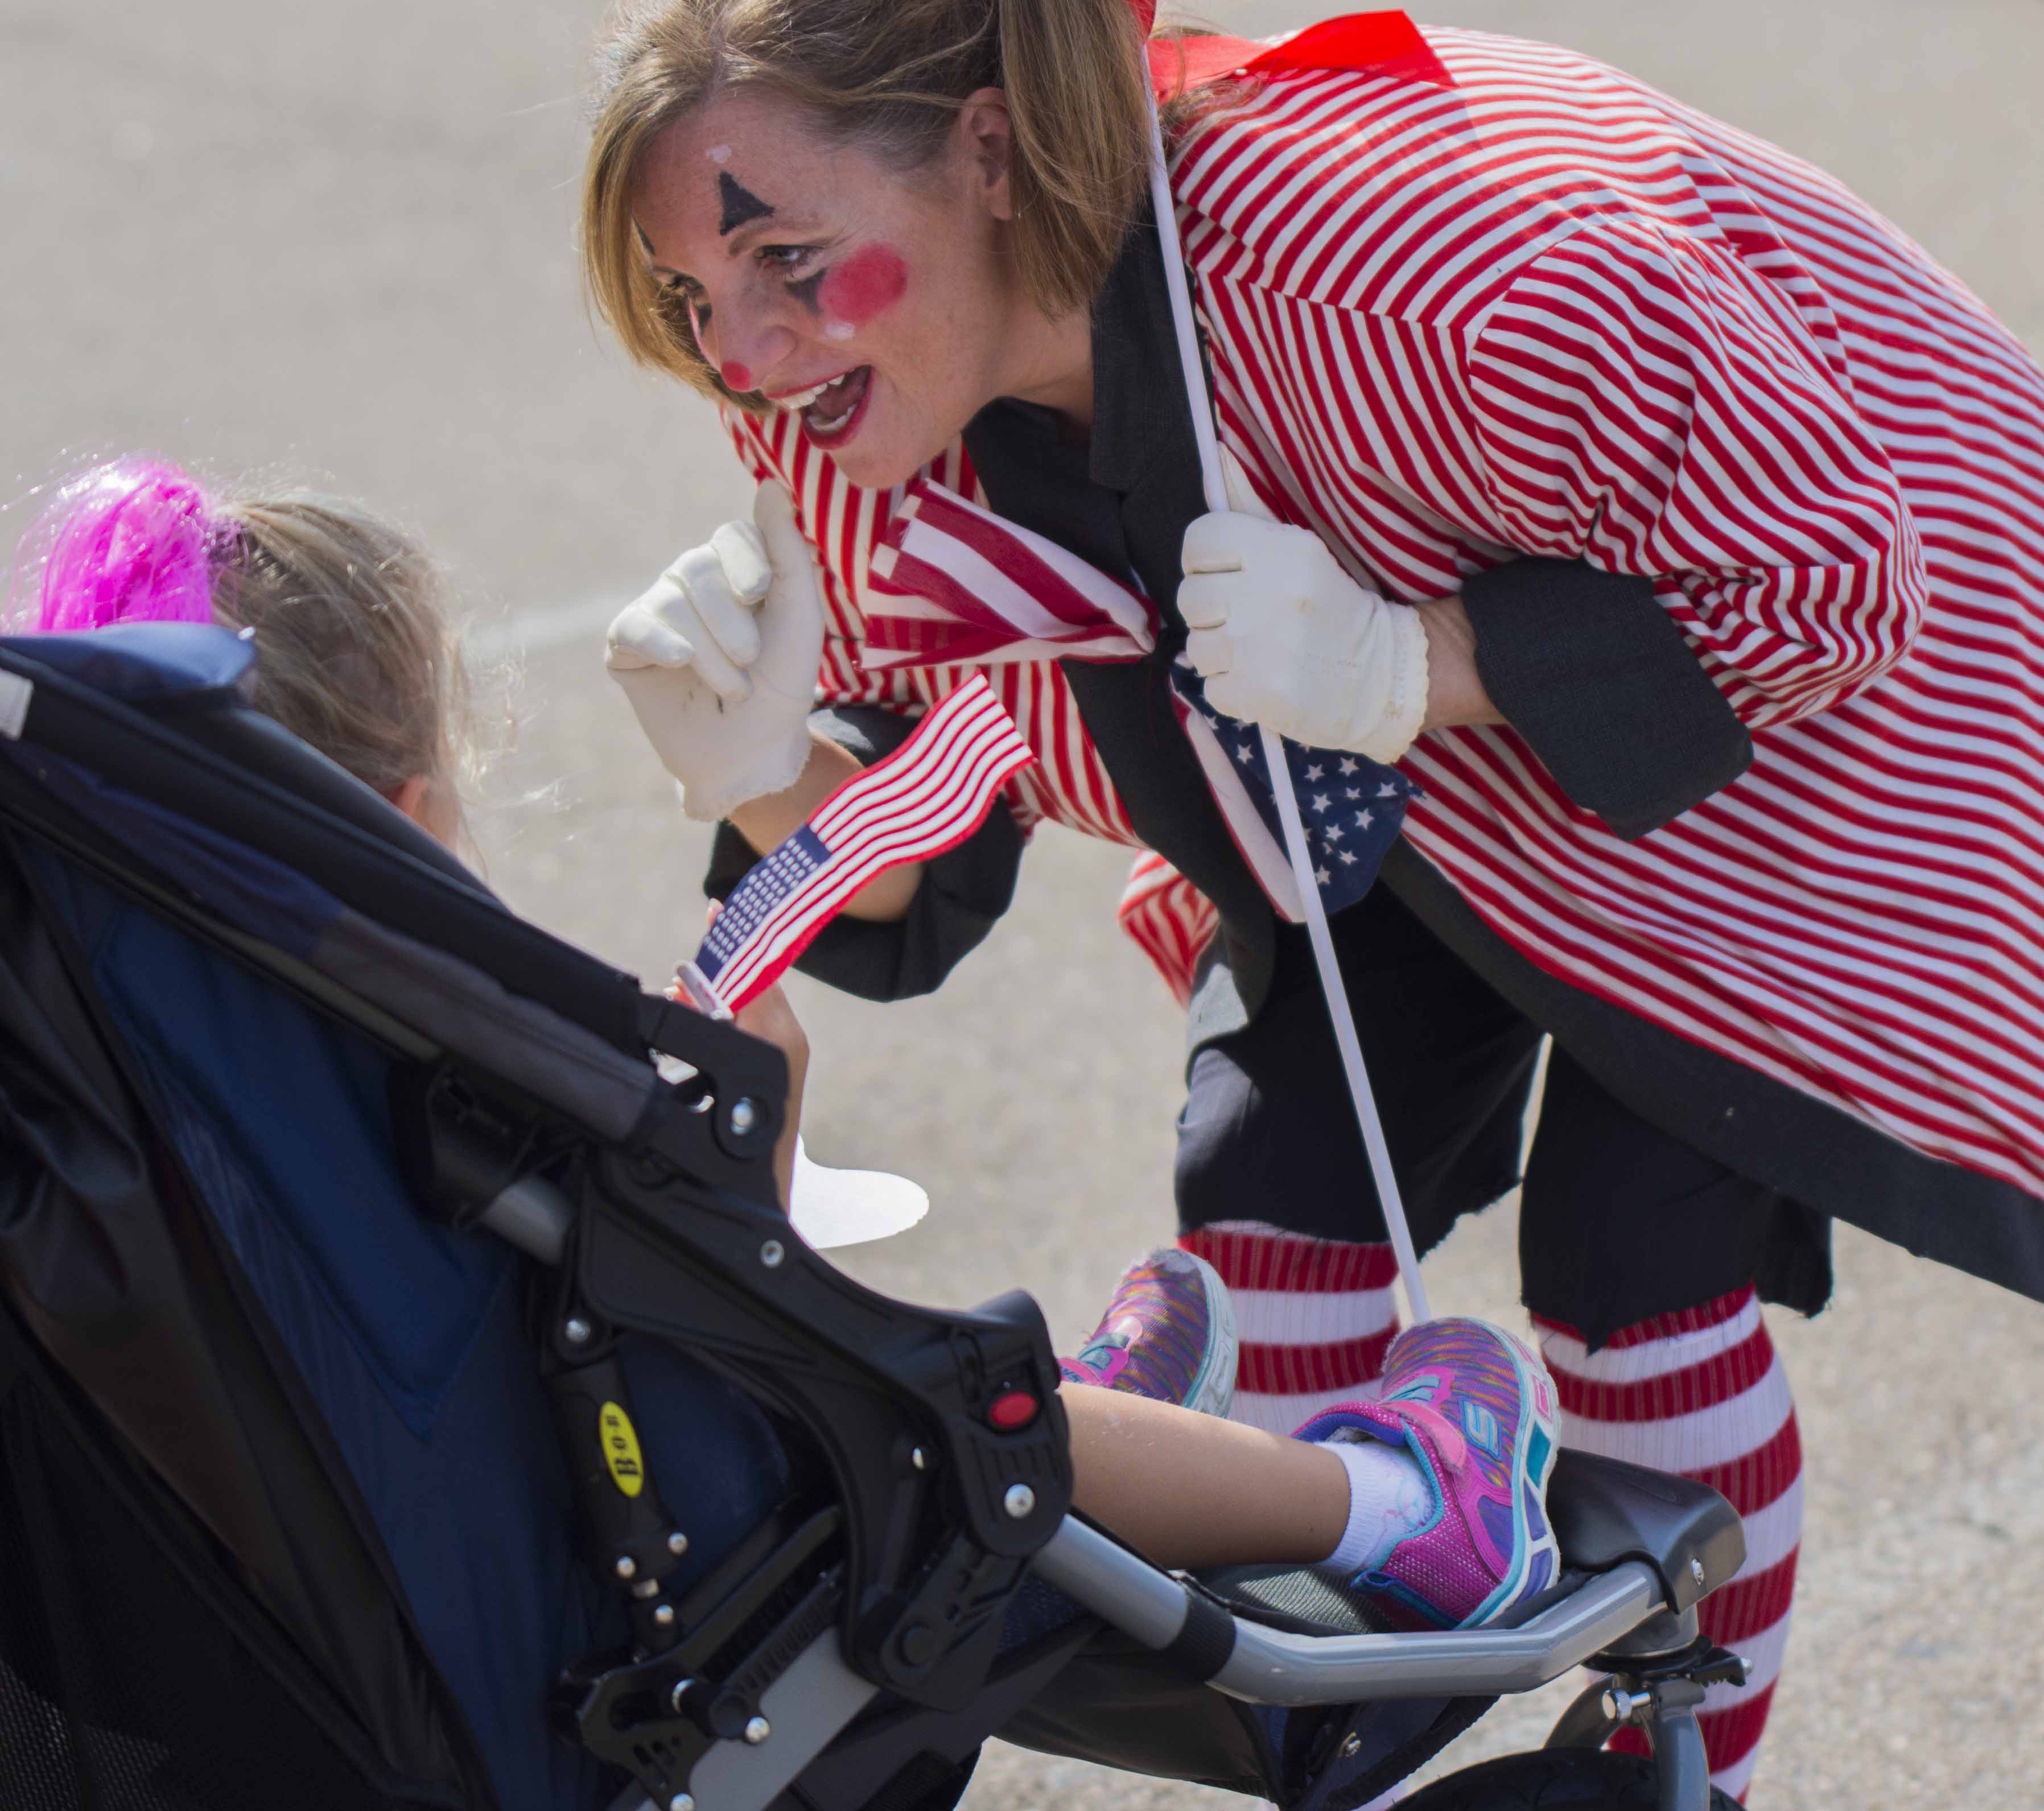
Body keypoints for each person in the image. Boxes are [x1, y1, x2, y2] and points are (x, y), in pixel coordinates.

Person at [582, 0, 2044, 1797]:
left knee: (1633, 1267)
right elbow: (927, 867)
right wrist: (766, 772)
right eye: (694, 292)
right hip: (1365, 769)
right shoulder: (852, 410)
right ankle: (1355, 1695)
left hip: (1807, 665)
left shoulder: (1431, 280)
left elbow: (1825, 577)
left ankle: (1680, 1770)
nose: (744, 351)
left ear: (991, 153)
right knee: (1267, 1197)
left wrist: (1409, 665)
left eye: (783, 256)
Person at [2, 456, 1561, 1632]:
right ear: (407, 812)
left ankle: (1122, 1434)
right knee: (907, 1398)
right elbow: (708, 1292)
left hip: (259, 1627)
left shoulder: (91, 1084)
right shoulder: (433, 1062)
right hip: (607, 1566)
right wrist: (756, 1110)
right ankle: (1390, 1506)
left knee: (889, 1385)